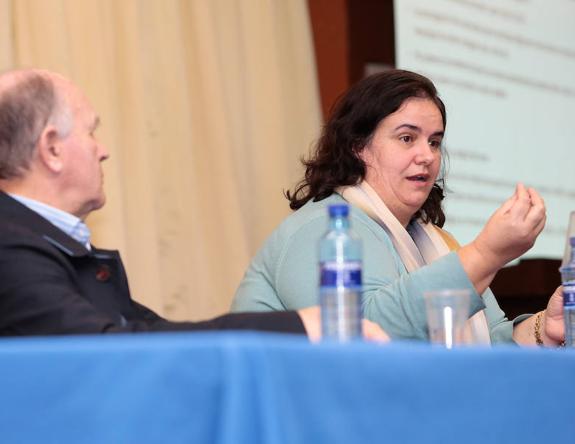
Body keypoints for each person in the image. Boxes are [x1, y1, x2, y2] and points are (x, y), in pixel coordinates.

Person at [0, 68, 389, 341]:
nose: (102, 151)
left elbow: (153, 335)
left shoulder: (39, 242)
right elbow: (111, 350)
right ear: (51, 149)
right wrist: (300, 326)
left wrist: (299, 325)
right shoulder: (11, 247)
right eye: (91, 132)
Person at [232, 69, 565, 346]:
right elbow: (367, 333)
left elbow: (488, 343)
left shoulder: (436, 242)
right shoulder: (322, 229)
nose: (427, 155)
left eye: (434, 141)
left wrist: (543, 329)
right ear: (358, 146)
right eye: (407, 138)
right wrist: (487, 254)